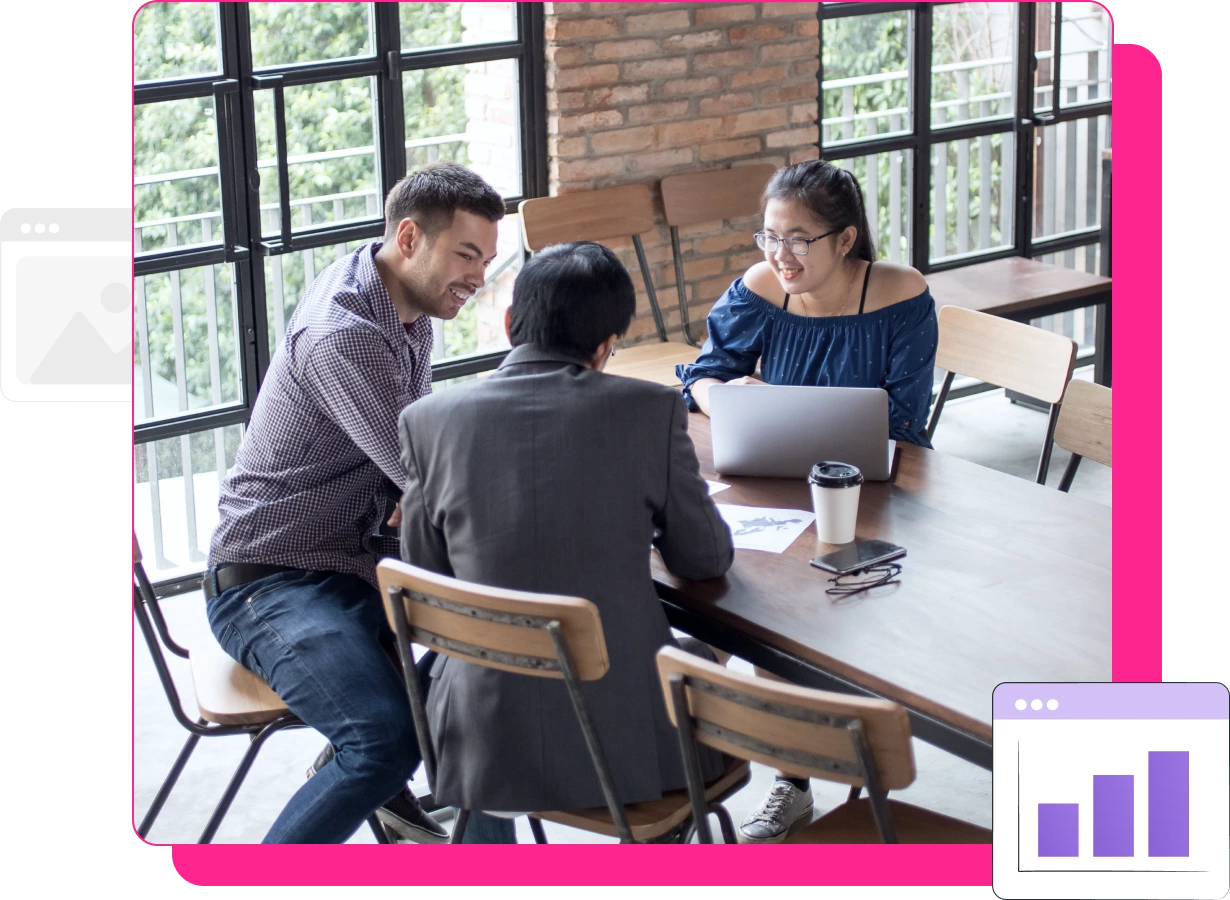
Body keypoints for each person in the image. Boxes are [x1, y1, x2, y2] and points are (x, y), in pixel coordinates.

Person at [203, 161, 516, 844]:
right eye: (466, 254)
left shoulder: (403, 308)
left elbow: (418, 464)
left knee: (485, 687)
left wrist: (415, 490)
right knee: (383, 742)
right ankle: (363, 774)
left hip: (354, 563)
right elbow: (426, 471)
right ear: (409, 238)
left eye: (487, 259)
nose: (478, 276)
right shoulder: (345, 333)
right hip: (271, 582)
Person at [396, 241, 735, 826]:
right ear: (607, 347)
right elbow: (704, 557)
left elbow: (429, 578)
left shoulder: (427, 421)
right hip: (628, 746)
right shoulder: (650, 411)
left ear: (509, 324)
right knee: (703, 658)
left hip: (480, 740)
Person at [676, 158, 939, 843]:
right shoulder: (763, 287)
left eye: (798, 239)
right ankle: (789, 778)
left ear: (844, 240)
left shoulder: (901, 293)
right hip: (773, 486)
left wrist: (776, 406)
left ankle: (797, 764)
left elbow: (907, 428)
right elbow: (702, 375)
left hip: (872, 495)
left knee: (793, 611)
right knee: (743, 597)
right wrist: (727, 399)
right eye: (769, 237)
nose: (779, 255)